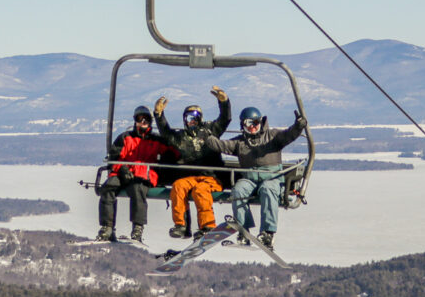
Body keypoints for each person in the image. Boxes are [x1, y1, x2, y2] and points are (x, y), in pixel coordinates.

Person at [202, 106, 307, 251]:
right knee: (238, 191)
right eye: (248, 123)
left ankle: (268, 232)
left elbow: (289, 135)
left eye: (256, 123)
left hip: (272, 177)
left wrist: (298, 126)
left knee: (268, 190)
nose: (253, 127)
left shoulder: (272, 137)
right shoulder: (240, 143)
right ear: (243, 125)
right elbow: (221, 145)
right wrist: (207, 137)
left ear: (261, 122)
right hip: (250, 178)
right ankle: (243, 230)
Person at [152, 86, 231, 240]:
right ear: (184, 120)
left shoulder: (210, 131)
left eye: (195, 117)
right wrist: (158, 115)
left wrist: (224, 102)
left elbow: (225, 119)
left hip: (211, 177)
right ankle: (180, 225)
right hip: (190, 178)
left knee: (200, 191)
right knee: (178, 186)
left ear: (200, 118)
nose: (192, 121)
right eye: (189, 118)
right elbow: (166, 133)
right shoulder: (181, 137)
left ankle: (207, 225)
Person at [98, 105, 177, 243]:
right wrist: (121, 169)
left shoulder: (156, 140)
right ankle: (107, 226)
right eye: (140, 119)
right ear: (135, 121)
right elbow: (113, 158)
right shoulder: (125, 138)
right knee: (109, 186)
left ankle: (137, 228)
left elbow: (174, 151)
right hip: (123, 173)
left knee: (137, 190)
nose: (143, 122)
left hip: (143, 175)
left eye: (146, 119)